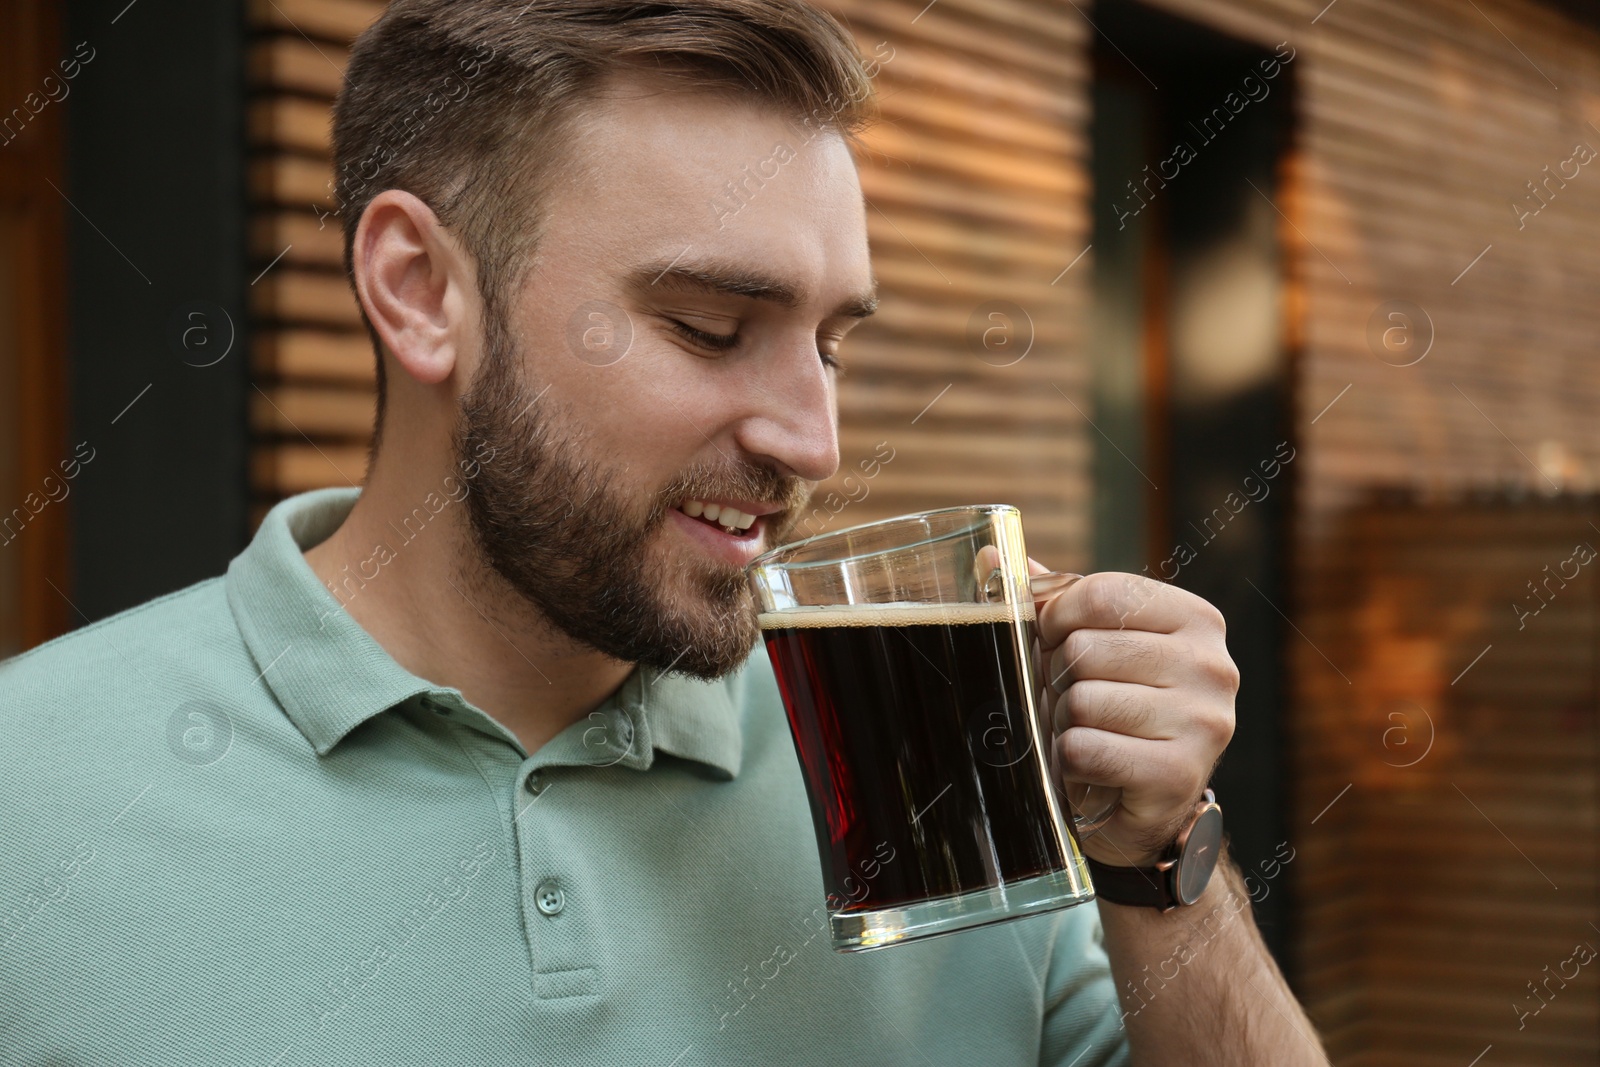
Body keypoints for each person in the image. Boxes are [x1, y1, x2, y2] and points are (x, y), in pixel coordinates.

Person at [0, 2, 1327, 1063]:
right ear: (418, 293)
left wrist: (1162, 865)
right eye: (707, 326)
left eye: (830, 345)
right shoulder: (33, 791)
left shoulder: (931, 779)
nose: (813, 442)